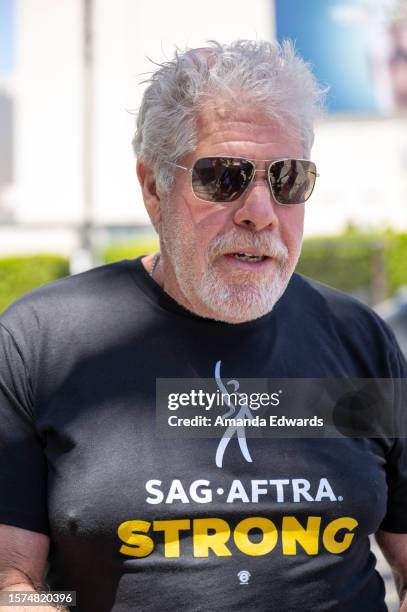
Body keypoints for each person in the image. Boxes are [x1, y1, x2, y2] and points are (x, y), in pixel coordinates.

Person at [0, 40, 406, 612]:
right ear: (152, 188)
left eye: (287, 178)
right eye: (223, 177)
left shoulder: (358, 339)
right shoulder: (41, 344)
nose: (260, 211)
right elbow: (14, 586)